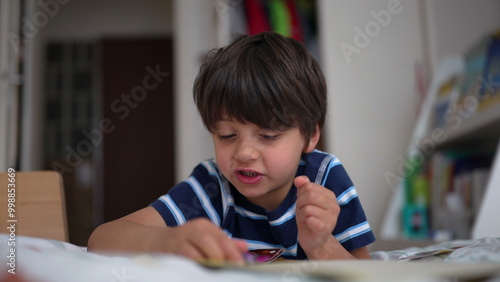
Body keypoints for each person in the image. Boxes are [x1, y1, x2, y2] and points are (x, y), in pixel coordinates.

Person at [88, 31, 375, 263]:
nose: (244, 153)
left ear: (310, 136)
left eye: (268, 134)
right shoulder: (214, 186)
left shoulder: (325, 179)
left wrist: (321, 246)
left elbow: (368, 272)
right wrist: (170, 240)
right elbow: (101, 239)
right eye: (227, 135)